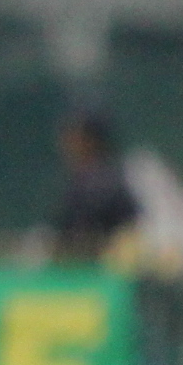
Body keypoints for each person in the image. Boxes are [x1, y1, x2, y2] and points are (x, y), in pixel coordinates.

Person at [49, 109, 141, 262]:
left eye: (75, 137)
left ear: (90, 141)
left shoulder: (103, 182)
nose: (67, 144)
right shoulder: (80, 180)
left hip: (107, 263)